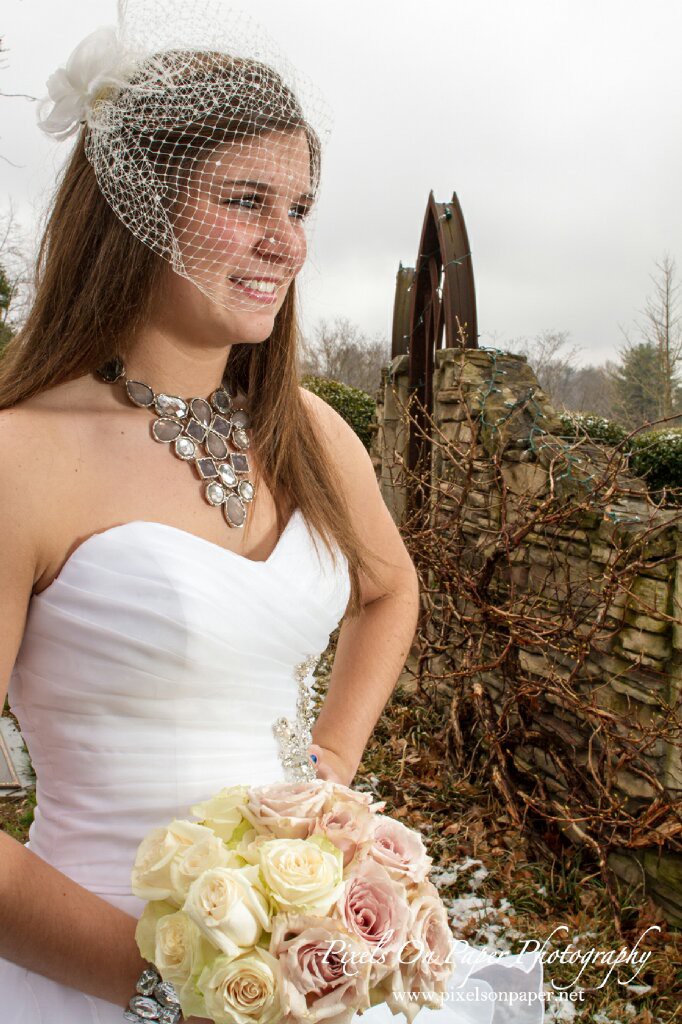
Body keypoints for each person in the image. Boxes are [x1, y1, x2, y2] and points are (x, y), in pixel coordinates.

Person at [0, 3, 545, 1021]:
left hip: (309, 965)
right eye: (245, 199)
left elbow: (390, 590)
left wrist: (327, 769)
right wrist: (171, 987)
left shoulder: (305, 431)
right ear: (136, 207)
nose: (282, 242)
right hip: (92, 961)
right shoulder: (19, 458)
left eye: (298, 207)